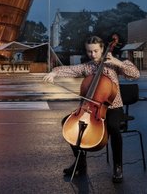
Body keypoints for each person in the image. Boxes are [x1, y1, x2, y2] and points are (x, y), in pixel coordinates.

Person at [43, 35, 140, 183]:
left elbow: (135, 74)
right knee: (67, 123)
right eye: (89, 52)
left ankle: (118, 166)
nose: (92, 55)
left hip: (113, 107)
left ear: (102, 49)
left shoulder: (113, 65)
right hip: (91, 108)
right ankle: (80, 163)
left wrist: (117, 61)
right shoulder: (87, 67)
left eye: (95, 51)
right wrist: (54, 72)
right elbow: (71, 69)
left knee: (113, 127)